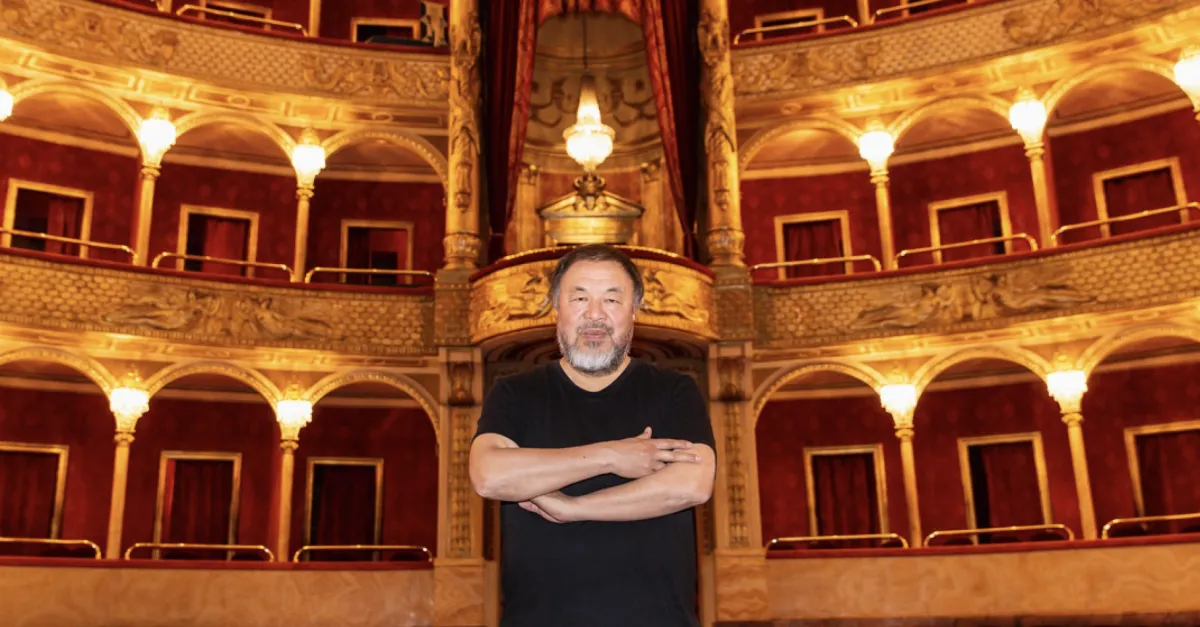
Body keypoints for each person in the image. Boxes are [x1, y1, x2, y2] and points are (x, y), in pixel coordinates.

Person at [470, 244, 716, 627]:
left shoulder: (675, 391)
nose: (595, 314)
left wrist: (575, 508)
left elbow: (692, 485)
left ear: (634, 311)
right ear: (558, 309)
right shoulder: (514, 393)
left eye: (612, 300)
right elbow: (489, 475)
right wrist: (612, 457)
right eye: (580, 298)